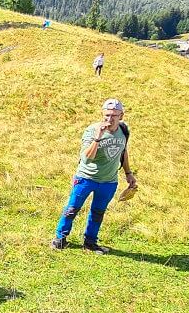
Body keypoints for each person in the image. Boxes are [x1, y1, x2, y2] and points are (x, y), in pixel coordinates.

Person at [52, 98, 137, 253]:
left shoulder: (124, 130)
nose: (109, 119)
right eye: (106, 115)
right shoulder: (92, 130)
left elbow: (123, 152)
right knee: (72, 209)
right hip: (85, 178)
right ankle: (60, 238)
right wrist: (98, 137)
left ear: (121, 116)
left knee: (98, 212)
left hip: (109, 181)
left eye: (114, 116)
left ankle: (90, 242)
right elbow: (87, 157)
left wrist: (128, 173)